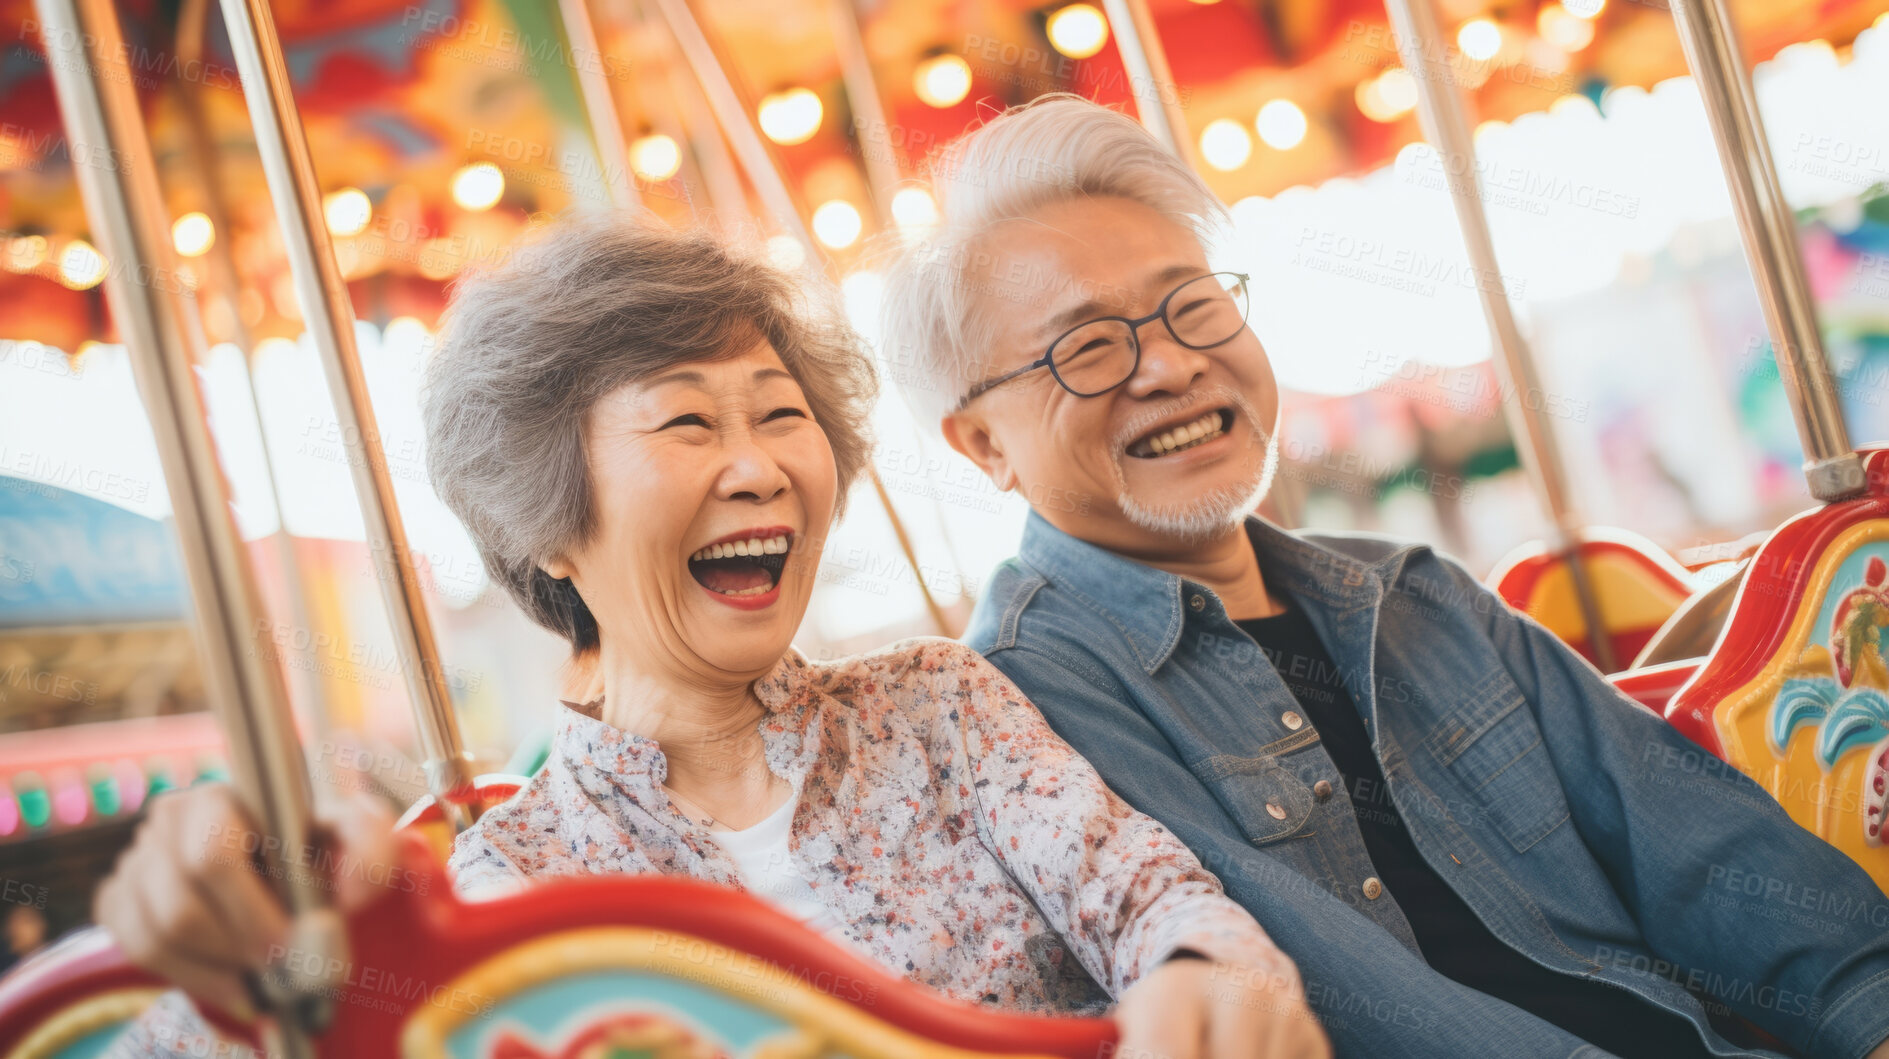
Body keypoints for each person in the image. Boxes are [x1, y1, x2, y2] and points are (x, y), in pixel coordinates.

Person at [94, 214, 1328, 1058]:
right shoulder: (509, 875)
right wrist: (216, 927)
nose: (756, 468)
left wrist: (1198, 980)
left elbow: (1158, 901)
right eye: (686, 425)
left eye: (782, 417)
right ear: (549, 525)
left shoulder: (941, 710)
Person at [880, 94, 1889, 1059]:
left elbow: (1698, 847)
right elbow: (1342, 999)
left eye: (1189, 306)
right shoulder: (1023, 708)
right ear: (980, 445)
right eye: (1089, 346)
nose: (1170, 365)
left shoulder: (1412, 597)